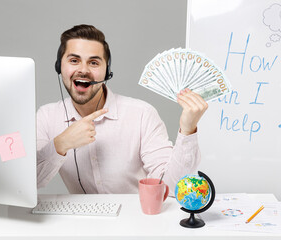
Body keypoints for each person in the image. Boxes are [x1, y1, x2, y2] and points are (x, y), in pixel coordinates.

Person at [36, 24, 208, 194]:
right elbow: (31, 181)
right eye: (74, 60)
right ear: (59, 66)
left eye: (94, 62)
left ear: (107, 71)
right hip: (82, 220)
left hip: (135, 218)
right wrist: (61, 144)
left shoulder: (142, 114)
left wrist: (187, 130)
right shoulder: (46, 116)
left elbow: (171, 187)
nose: (83, 70)